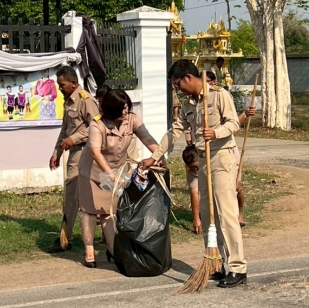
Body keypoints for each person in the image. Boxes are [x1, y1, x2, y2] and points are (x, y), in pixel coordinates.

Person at [141, 59, 247, 287]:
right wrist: (155, 156)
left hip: (221, 157)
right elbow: (174, 131)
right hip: (202, 161)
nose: (177, 89)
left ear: (188, 77)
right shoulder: (189, 105)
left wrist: (215, 133)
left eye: (177, 84)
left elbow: (233, 124)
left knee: (226, 213)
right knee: (208, 215)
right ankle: (215, 263)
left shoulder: (219, 95)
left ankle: (237, 268)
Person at [79, 89, 159, 267]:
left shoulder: (131, 119)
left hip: (117, 171)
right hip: (92, 173)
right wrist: (111, 175)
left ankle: (112, 249)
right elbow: (95, 152)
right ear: (111, 108)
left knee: (109, 212)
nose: (125, 111)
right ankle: (89, 250)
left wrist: (158, 156)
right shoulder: (97, 124)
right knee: (90, 210)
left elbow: (147, 137)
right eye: (121, 108)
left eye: (127, 107)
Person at [48, 66, 99, 253]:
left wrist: (74, 139)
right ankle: (65, 236)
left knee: (76, 193)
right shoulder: (68, 101)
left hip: (86, 152)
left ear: (73, 83)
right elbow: (65, 130)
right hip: (73, 152)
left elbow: (96, 127)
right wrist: (56, 153)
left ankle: (66, 237)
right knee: (73, 194)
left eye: (62, 85)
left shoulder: (86, 100)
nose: (59, 88)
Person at [207, 71, 256, 226]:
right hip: (209, 152)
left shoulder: (221, 97)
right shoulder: (199, 102)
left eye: (207, 81)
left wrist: (245, 114)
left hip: (229, 149)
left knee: (236, 186)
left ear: (213, 82)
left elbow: (234, 123)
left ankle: (239, 214)